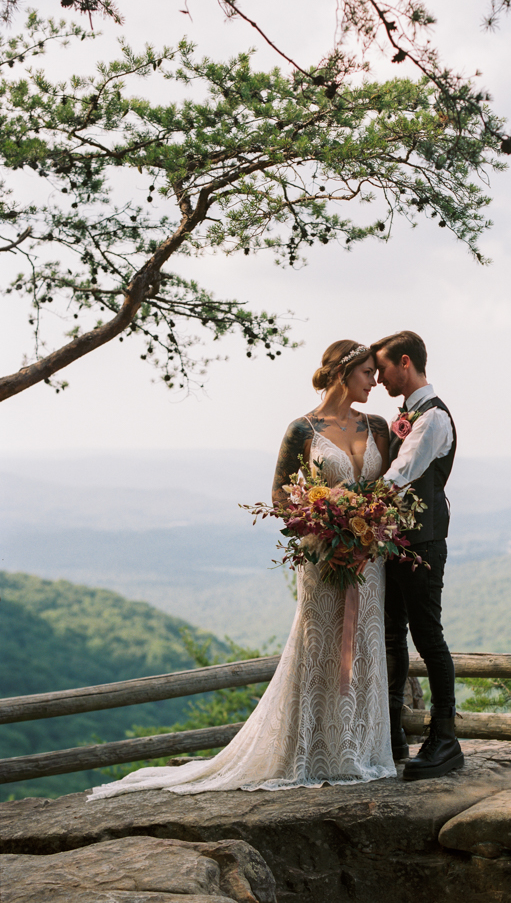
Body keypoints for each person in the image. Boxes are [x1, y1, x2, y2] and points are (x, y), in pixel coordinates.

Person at [89, 340, 395, 800]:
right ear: (344, 372)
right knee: (319, 646)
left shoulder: (378, 426)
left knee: (367, 643)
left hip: (369, 562)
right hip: (322, 560)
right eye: (368, 372)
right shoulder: (302, 429)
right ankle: (312, 753)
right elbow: (279, 500)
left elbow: (386, 494)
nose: (376, 381)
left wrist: (369, 529)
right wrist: (326, 532)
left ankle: (360, 751)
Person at [371, 330, 462, 781]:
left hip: (423, 544)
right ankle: (391, 735)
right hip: (395, 542)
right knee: (391, 636)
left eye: (383, 368)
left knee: (428, 637)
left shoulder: (433, 418)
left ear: (404, 363)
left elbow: (402, 472)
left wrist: (351, 504)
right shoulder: (408, 413)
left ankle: (445, 738)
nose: (379, 378)